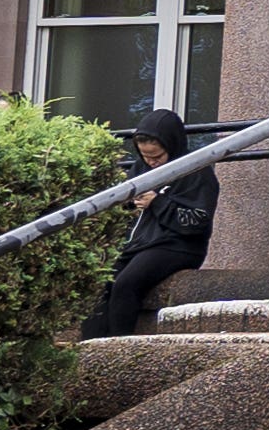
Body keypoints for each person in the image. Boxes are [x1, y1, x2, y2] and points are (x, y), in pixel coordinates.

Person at [77, 107, 218, 340]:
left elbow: (197, 222)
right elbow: (122, 203)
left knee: (126, 284)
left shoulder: (198, 172)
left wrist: (157, 202)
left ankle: (119, 345)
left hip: (178, 245)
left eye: (157, 156)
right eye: (145, 156)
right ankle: (91, 347)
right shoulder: (140, 168)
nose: (151, 162)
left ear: (171, 148)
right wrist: (131, 203)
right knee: (98, 283)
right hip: (140, 243)